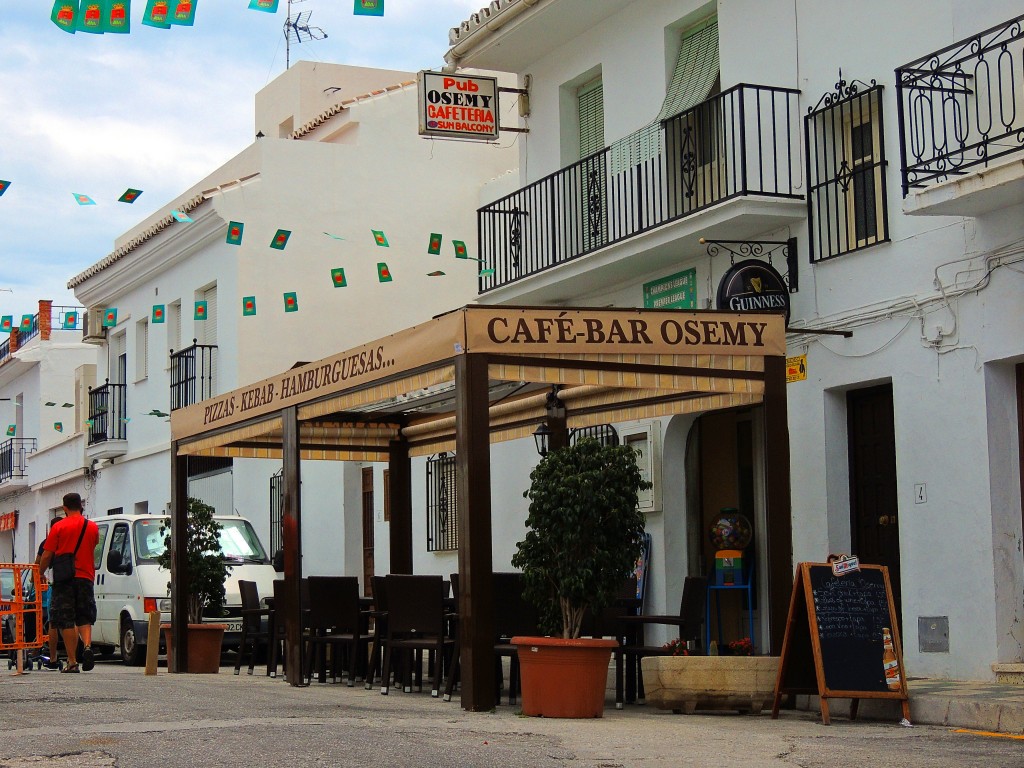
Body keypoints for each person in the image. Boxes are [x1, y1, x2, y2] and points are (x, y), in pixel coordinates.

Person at [38, 494, 99, 673]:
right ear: (80, 506)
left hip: (64, 578)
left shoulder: (59, 527)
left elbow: (47, 554)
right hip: (85, 577)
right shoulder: (92, 527)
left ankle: (72, 661)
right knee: (84, 616)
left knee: (66, 619)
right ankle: (87, 646)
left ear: (64, 508)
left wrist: (41, 572)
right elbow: (93, 546)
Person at [35, 516, 62, 669]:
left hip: (53, 585)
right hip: (74, 581)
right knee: (71, 622)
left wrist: (39, 575)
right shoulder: (68, 541)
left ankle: (53, 657)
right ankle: (75, 656)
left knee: (53, 622)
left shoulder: (47, 543)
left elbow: (39, 561)